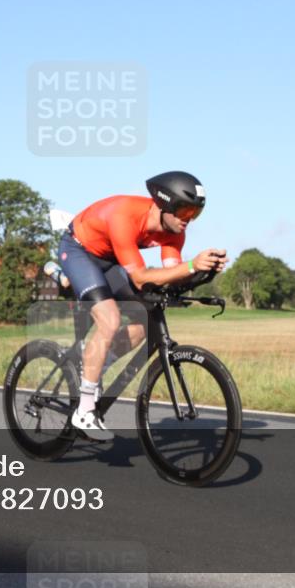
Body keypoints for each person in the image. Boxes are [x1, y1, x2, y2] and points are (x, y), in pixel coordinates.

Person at [57, 171, 228, 441]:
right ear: (164, 204)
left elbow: (171, 276)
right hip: (79, 250)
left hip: (111, 257)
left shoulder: (175, 233)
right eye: (184, 210)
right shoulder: (125, 216)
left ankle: (94, 366)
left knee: (145, 322)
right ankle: (85, 409)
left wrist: (204, 273)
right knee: (110, 319)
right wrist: (193, 265)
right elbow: (139, 277)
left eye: (195, 213)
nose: (188, 220)